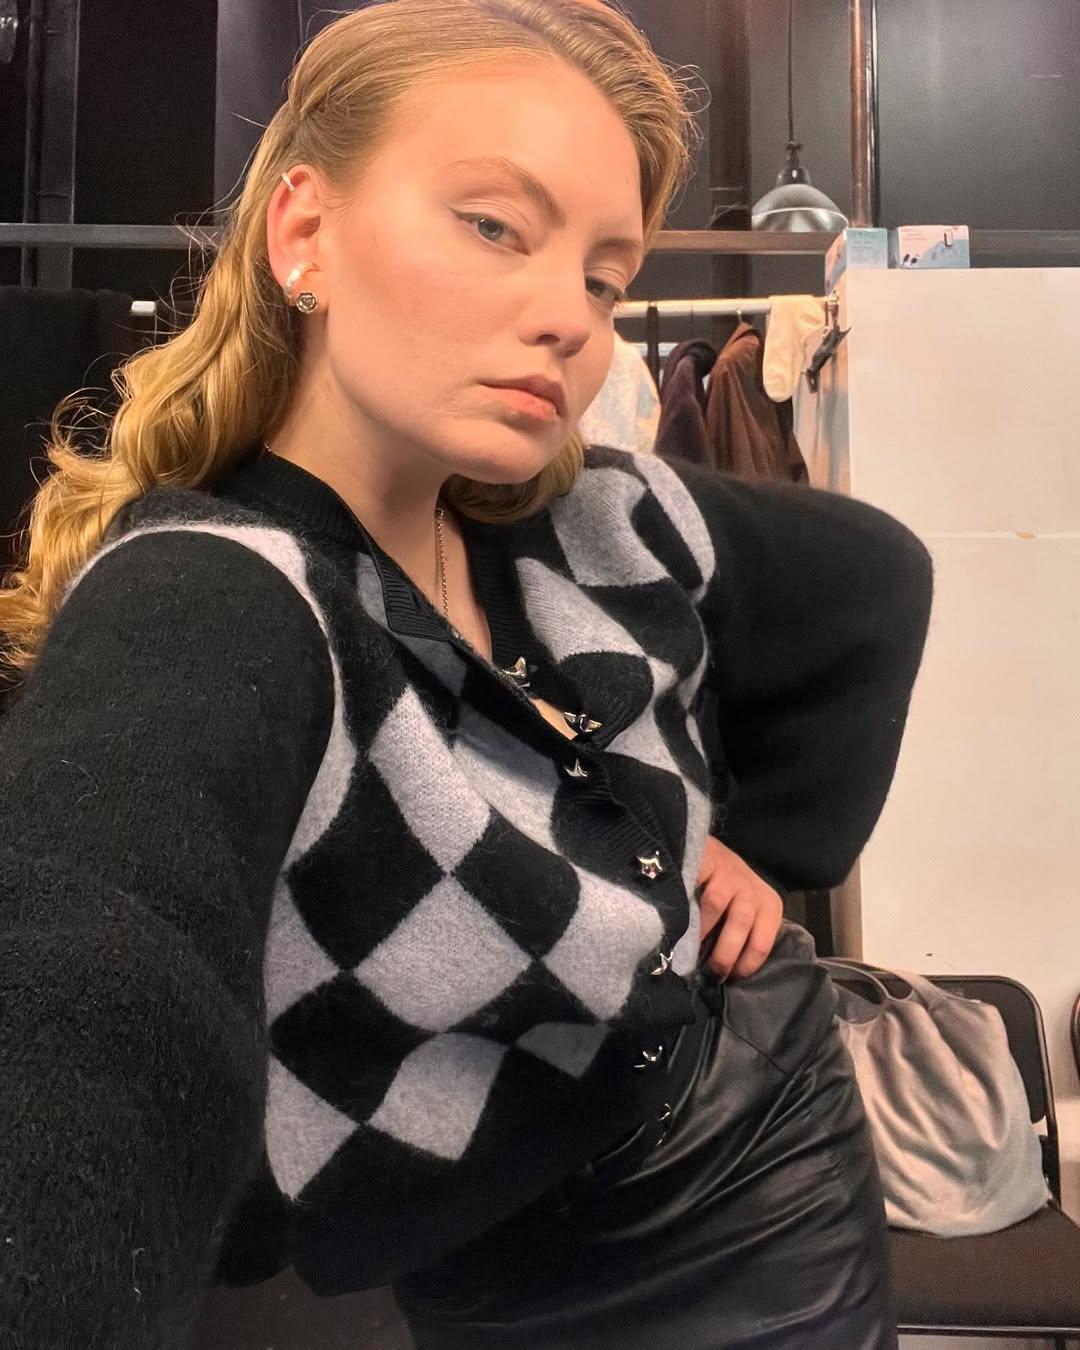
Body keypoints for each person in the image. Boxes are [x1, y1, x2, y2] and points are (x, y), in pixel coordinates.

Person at [0, 2, 933, 1346]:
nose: (570, 321)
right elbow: (88, 994)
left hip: (763, 1154)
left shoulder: (602, 515)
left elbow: (877, 582)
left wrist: (748, 846)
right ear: (305, 232)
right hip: (491, 1271)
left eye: (605, 278)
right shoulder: (219, 596)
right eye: (495, 226)